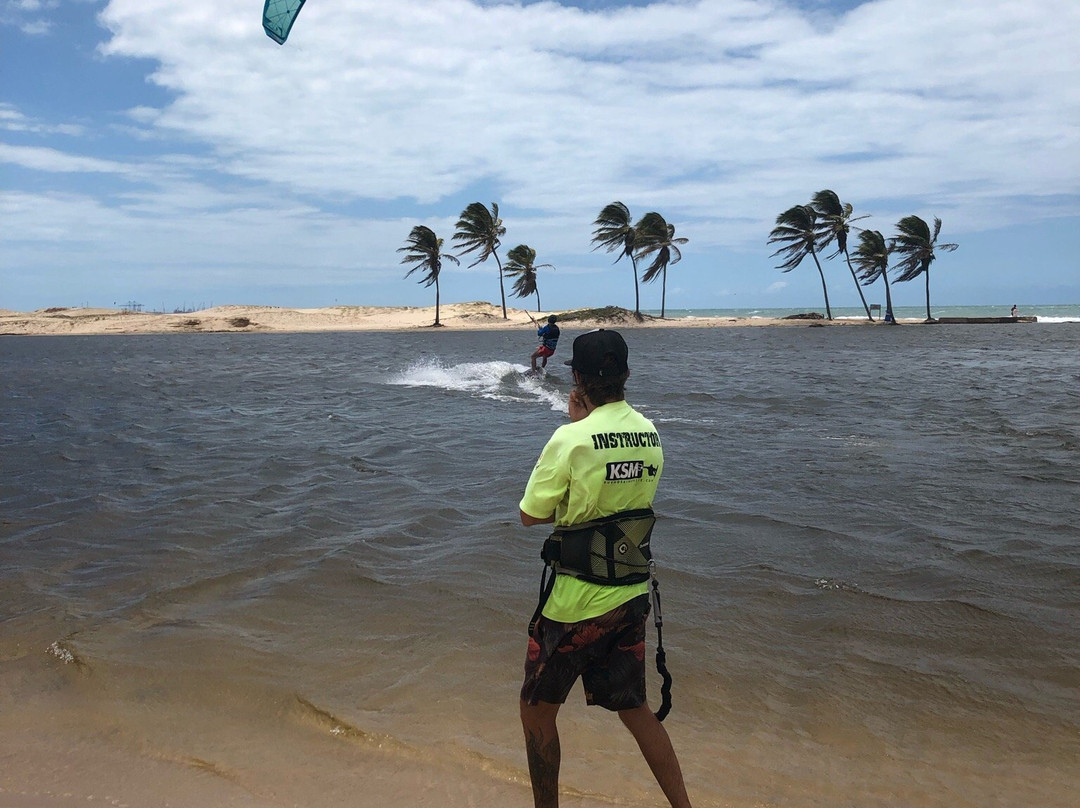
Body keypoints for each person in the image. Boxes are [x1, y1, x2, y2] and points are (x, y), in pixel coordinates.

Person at [518, 329, 693, 808]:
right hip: (630, 595)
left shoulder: (571, 438)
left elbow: (531, 514)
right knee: (635, 710)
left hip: (575, 604)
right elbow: (624, 503)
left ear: (577, 379)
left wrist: (578, 426)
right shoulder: (650, 433)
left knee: (535, 711)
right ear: (626, 374)